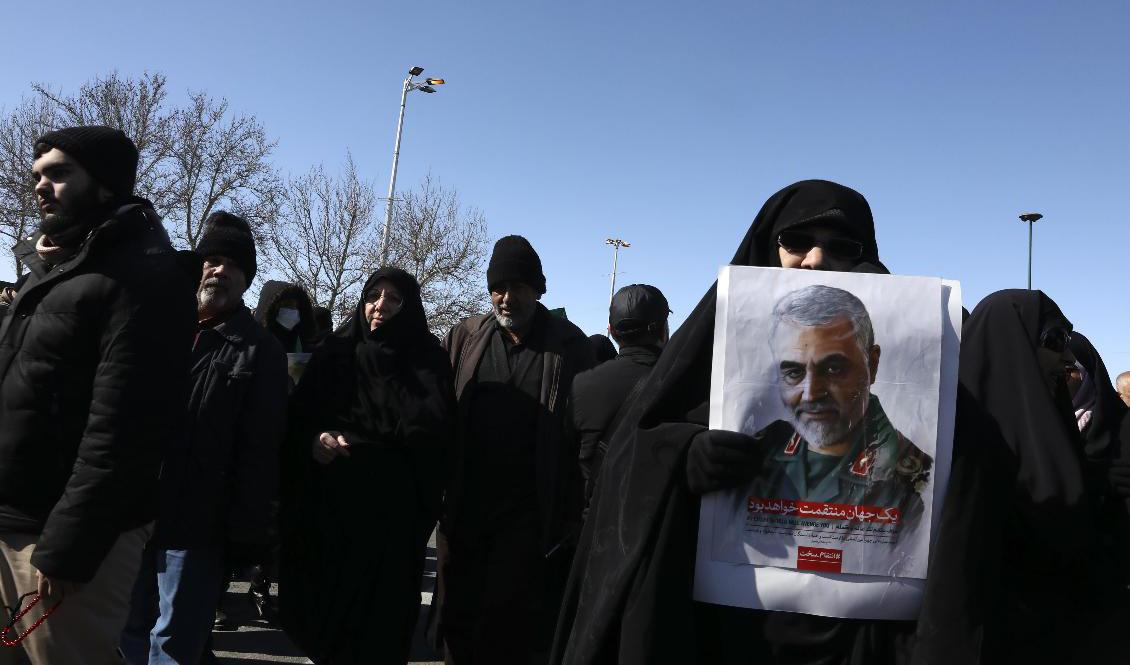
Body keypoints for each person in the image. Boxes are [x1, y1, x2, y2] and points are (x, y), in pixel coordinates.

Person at [552, 180, 916, 665]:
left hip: (859, 637)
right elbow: (629, 457)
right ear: (770, 246)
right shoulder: (709, 349)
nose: (815, 260)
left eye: (841, 247)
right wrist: (682, 455)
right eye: (797, 242)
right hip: (733, 630)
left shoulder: (915, 458)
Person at [0, 126, 197, 664]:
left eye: (60, 173)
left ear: (106, 185)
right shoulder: (53, 271)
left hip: (63, 545)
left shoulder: (143, 279)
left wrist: (68, 549)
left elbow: (123, 431)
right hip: (10, 521)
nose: (41, 186)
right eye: (37, 174)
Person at [913, 290, 1130, 664]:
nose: (1067, 357)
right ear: (1011, 347)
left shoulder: (1056, 440)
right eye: (1054, 340)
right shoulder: (954, 453)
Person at [120, 211, 288, 664]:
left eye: (232, 264)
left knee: (174, 642)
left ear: (247, 279)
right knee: (125, 630)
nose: (219, 270)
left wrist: (249, 532)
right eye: (211, 259)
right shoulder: (157, 326)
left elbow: (260, 448)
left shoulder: (261, 351)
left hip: (199, 526)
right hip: (134, 512)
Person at [278, 267, 455, 664]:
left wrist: (384, 447)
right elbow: (299, 419)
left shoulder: (426, 361)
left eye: (394, 299)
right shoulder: (336, 351)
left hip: (392, 521)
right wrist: (316, 441)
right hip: (331, 513)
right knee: (327, 620)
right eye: (374, 296)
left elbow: (437, 434)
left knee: (381, 627)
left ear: (408, 308)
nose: (380, 306)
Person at [436, 235, 595, 664]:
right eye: (498, 288)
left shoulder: (569, 345)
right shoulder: (466, 338)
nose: (506, 298)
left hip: (530, 513)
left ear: (539, 289)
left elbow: (587, 436)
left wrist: (575, 512)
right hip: (466, 506)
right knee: (459, 619)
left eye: (517, 287)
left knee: (510, 627)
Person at [745, 285, 932, 535]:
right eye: (793, 372)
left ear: (872, 365)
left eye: (833, 369)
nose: (811, 394)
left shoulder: (914, 481)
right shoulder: (757, 452)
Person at [573, 284, 670, 515]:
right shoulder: (683, 384)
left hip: (595, 525)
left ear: (612, 331)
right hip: (660, 528)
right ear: (663, 329)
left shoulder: (581, 385)